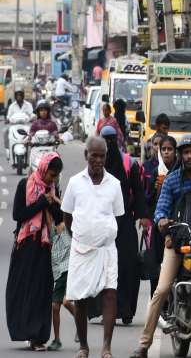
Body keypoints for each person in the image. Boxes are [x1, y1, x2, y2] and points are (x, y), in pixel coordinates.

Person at [130, 134, 191, 358]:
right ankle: (143, 345)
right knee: (162, 289)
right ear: (181, 155)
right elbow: (161, 210)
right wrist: (162, 221)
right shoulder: (172, 181)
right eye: (186, 152)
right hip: (178, 243)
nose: (190, 156)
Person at [61, 136, 125, 358]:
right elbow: (67, 215)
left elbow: (119, 216)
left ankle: (106, 347)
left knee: (110, 295)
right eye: (94, 155)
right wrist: (81, 235)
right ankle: (84, 346)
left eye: (102, 156)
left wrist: (104, 234)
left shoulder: (114, 184)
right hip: (81, 250)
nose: (98, 160)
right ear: (86, 155)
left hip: (107, 250)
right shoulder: (74, 183)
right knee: (81, 299)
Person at [87, 126, 148, 325]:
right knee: (100, 265)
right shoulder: (95, 164)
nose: (109, 144)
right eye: (106, 140)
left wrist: (143, 217)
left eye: (112, 140)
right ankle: (102, 309)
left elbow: (137, 191)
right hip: (100, 222)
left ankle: (125, 309)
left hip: (125, 223)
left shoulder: (129, 163)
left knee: (127, 266)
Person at [6, 153, 64, 351]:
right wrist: (41, 202)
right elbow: (18, 215)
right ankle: (25, 330)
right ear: (43, 169)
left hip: (45, 247)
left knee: (41, 291)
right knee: (25, 289)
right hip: (26, 246)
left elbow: (58, 218)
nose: (52, 179)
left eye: (55, 176)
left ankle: (38, 336)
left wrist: (53, 202)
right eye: (51, 175)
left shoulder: (53, 189)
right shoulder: (25, 185)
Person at [144, 135, 178, 298]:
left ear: (175, 151)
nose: (165, 152)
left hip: (176, 223)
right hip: (158, 225)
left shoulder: (179, 172)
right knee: (156, 265)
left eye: (169, 149)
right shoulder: (155, 172)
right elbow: (148, 199)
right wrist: (155, 187)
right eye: (163, 149)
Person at [48, 215, 77, 351]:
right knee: (55, 306)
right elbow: (49, 219)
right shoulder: (52, 232)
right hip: (58, 271)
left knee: (65, 302)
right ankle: (57, 339)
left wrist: (65, 222)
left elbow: (71, 211)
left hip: (70, 267)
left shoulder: (69, 227)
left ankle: (80, 323)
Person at [4, 88, 34, 160]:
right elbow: (8, 116)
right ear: (15, 96)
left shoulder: (28, 105)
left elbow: (31, 114)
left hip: (26, 125)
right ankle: (8, 149)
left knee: (34, 132)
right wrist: (7, 119)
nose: (19, 97)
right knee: (4, 131)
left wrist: (33, 117)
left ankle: (33, 151)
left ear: (23, 96)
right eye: (17, 95)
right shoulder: (12, 106)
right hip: (14, 126)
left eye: (20, 95)